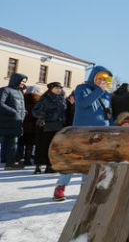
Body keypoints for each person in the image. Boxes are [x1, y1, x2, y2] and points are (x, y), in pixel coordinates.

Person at [53, 66, 113, 201]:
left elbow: (108, 113)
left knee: (92, 163)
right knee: (73, 160)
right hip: (82, 132)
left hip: (100, 133)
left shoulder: (106, 93)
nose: (102, 81)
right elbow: (84, 103)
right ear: (93, 77)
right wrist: (99, 90)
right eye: (99, 78)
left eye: (105, 79)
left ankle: (85, 189)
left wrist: (112, 128)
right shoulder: (82, 88)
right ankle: (60, 187)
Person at [32, 82, 67, 174]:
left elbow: (64, 111)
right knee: (43, 146)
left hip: (58, 126)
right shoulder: (45, 98)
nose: (59, 90)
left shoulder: (62, 99)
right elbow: (35, 111)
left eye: (60, 88)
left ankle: (50, 166)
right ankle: (38, 165)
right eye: (56, 88)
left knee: (53, 147)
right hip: (46, 126)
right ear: (51, 89)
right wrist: (47, 116)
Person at [0, 73, 28, 169]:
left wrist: (24, 112)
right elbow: (1, 104)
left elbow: (20, 106)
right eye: (22, 81)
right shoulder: (5, 90)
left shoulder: (20, 92)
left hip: (17, 121)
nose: (23, 83)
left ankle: (8, 161)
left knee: (10, 142)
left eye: (24, 82)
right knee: (12, 143)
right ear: (15, 80)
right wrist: (14, 112)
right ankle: (10, 163)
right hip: (8, 121)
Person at [19, 85, 42, 167]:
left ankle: (21, 158)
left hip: (23, 125)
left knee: (21, 143)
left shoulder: (22, 99)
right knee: (31, 143)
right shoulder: (38, 101)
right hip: (34, 126)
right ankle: (28, 159)